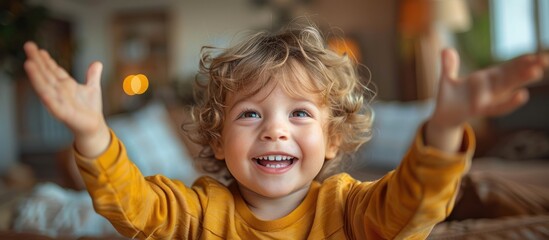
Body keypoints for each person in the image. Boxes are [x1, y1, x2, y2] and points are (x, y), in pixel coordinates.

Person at [22, 22, 548, 239]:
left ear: (334, 139)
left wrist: (445, 128)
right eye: (250, 114)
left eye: (299, 114)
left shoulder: (349, 207)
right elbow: (129, 202)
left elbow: (416, 207)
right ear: (215, 140)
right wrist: (92, 132)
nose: (274, 131)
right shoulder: (199, 211)